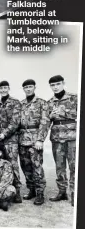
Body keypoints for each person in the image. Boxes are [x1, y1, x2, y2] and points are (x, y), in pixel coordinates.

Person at [0, 81, 22, 203]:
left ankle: (17, 192)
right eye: (1, 88)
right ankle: (0, 190)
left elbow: (15, 122)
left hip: (10, 140)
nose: (3, 90)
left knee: (12, 165)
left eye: (5, 88)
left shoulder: (15, 103)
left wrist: (4, 134)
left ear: (9, 88)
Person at [47, 75, 77, 206]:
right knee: (60, 167)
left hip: (72, 137)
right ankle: (62, 192)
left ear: (63, 83)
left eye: (57, 84)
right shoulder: (49, 102)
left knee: (74, 166)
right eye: (52, 85)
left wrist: (61, 113)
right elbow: (46, 121)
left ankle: (75, 193)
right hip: (57, 139)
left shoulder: (74, 98)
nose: (55, 87)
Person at [19, 79, 50, 205]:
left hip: (34, 141)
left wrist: (40, 139)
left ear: (34, 87)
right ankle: (31, 189)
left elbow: (45, 122)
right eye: (26, 87)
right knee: (26, 167)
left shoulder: (42, 103)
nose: (28, 89)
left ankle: (40, 193)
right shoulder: (20, 104)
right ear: (23, 89)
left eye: (30, 86)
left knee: (37, 167)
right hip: (22, 140)